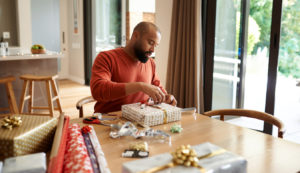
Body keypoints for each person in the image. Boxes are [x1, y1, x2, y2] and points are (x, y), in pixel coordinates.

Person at [90, 21, 177, 113]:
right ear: (135, 36)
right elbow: (98, 90)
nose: (152, 50)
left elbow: (158, 88)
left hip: (139, 120)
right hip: (108, 120)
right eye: (150, 43)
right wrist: (140, 86)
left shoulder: (150, 63)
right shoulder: (106, 58)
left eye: (155, 45)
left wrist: (167, 97)